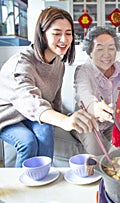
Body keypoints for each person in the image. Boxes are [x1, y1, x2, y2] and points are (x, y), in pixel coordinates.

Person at [0, 7, 98, 168]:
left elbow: (54, 98)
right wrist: (65, 121)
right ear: (42, 34)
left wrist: (65, 118)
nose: (64, 39)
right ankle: (21, 186)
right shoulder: (21, 64)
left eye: (68, 33)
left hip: (33, 116)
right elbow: (30, 103)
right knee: (27, 142)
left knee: (46, 131)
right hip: (9, 116)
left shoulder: (59, 63)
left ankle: (45, 175)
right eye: (56, 33)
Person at [73, 26, 120, 156]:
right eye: (100, 49)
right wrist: (94, 107)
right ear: (90, 51)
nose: (106, 54)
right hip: (88, 122)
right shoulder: (83, 71)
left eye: (111, 48)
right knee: (98, 152)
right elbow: (83, 94)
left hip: (112, 122)